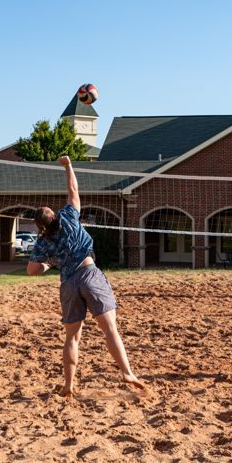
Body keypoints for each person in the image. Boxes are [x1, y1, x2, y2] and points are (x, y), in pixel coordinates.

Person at [27, 156, 145, 397]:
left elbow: (31, 270)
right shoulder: (69, 217)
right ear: (53, 216)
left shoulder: (42, 242)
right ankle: (127, 372)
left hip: (68, 282)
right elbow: (73, 189)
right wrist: (68, 166)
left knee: (72, 336)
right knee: (110, 329)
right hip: (89, 273)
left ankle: (69, 386)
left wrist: (50, 264)